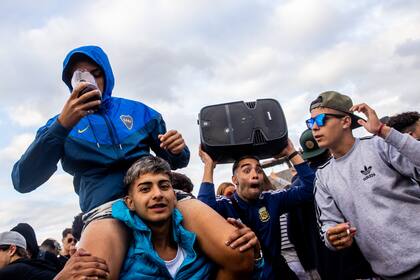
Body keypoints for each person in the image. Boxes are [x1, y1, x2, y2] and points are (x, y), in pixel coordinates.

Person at [12, 45, 253, 279]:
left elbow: (177, 160)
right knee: (89, 276)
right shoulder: (59, 124)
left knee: (240, 251)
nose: (90, 82)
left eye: (96, 74)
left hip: (157, 192)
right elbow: (22, 181)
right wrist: (62, 125)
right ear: (70, 82)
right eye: (80, 76)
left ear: (107, 74)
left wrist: (177, 149)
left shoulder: (139, 111)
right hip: (105, 209)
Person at [308, 91, 420, 279]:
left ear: (345, 121)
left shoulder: (380, 145)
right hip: (389, 274)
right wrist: (332, 236)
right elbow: (328, 224)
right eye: (310, 123)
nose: (315, 128)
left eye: (320, 120)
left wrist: (383, 131)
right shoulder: (323, 176)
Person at [198, 138, 316, 280]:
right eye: (247, 170)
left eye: (259, 170)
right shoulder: (225, 204)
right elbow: (202, 211)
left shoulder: (272, 199)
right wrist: (209, 165)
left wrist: (291, 152)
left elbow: (311, 189)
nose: (255, 174)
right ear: (235, 180)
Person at [112, 155, 214, 278]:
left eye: (164, 186)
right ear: (130, 203)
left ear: (175, 196)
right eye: (145, 189)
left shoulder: (200, 243)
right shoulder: (120, 256)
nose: (158, 194)